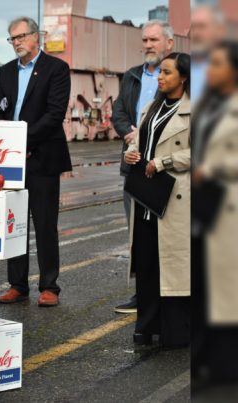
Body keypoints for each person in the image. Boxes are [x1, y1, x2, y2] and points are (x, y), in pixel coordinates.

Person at [0, 17, 72, 307]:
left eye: (22, 36)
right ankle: (17, 285)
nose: (17, 42)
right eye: (12, 38)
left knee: (45, 223)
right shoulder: (5, 72)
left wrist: (23, 141)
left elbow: (54, 114)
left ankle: (49, 286)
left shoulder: (57, 69)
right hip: (13, 162)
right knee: (14, 224)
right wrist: (9, 145)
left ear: (37, 37)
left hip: (43, 159)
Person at [124, 52, 191, 347]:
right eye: (160, 72)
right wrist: (131, 153)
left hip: (174, 196)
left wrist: (164, 162)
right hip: (146, 194)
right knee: (148, 261)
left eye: (166, 72)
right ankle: (147, 325)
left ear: (184, 78)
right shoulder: (152, 106)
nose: (160, 77)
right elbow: (140, 141)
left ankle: (175, 332)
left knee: (173, 265)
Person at [110, 20, 174, 314]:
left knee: (171, 234)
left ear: (169, 44)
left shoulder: (182, 76)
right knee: (137, 235)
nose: (148, 45)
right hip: (134, 163)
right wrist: (128, 133)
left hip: (168, 167)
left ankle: (174, 295)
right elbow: (119, 112)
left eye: (154, 40)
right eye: (145, 40)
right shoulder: (132, 76)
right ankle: (142, 295)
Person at [191, 41, 238, 383]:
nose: (210, 69)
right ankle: (208, 361)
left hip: (228, 206)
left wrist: (210, 167)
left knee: (226, 294)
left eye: (217, 64)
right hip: (205, 207)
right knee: (207, 289)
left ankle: (225, 368)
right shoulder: (210, 105)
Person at [190, 6, 226, 105]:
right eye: (193, 27)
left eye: (202, 26)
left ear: (220, 31)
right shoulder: (182, 65)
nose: (196, 33)